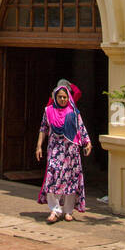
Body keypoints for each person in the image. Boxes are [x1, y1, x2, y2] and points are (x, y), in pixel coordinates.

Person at [35, 78, 92, 223]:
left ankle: (68, 211)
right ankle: (54, 210)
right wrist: (39, 146)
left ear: (68, 98)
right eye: (60, 97)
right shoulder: (49, 111)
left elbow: (81, 129)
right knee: (52, 178)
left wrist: (87, 143)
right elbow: (43, 128)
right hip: (55, 150)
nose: (62, 99)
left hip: (71, 152)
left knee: (71, 181)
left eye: (65, 97)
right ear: (55, 97)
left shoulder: (73, 112)